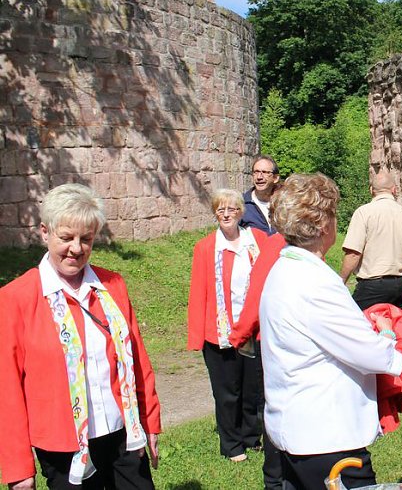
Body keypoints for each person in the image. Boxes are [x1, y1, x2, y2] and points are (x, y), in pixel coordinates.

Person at [0, 183, 161, 490]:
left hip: (122, 433)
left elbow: (138, 358)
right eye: (66, 237)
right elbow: (7, 390)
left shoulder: (112, 286)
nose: (76, 248)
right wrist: (18, 467)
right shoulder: (16, 298)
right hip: (63, 445)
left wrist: (149, 419)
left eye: (86, 239)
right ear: (45, 233)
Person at [260, 173, 402, 490]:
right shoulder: (316, 282)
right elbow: (370, 353)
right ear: (325, 224)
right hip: (326, 439)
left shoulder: (284, 270)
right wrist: (387, 335)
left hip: (298, 430)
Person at [187, 189, 267, 462]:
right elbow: (198, 292)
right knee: (227, 391)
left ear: (240, 212)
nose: (226, 214)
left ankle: (250, 436)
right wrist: (197, 335)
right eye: (220, 209)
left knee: (252, 388)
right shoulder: (206, 247)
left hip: (253, 329)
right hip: (220, 330)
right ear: (215, 214)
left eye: (232, 208)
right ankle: (232, 444)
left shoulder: (256, 241)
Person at [228, 188, 288, 490]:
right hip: (275, 337)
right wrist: (241, 333)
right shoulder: (279, 244)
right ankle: (277, 477)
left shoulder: (282, 243)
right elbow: (257, 294)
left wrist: (240, 333)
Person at [340, 171, 402, 310]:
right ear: (394, 190)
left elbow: (354, 253)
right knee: (397, 328)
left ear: (371, 190)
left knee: (359, 326)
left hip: (372, 286)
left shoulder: (363, 213)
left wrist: (341, 282)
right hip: (401, 286)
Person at [240, 155, 280, 235]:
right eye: (256, 172)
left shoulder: (286, 203)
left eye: (264, 172)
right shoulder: (242, 204)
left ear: (275, 178)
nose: (259, 177)